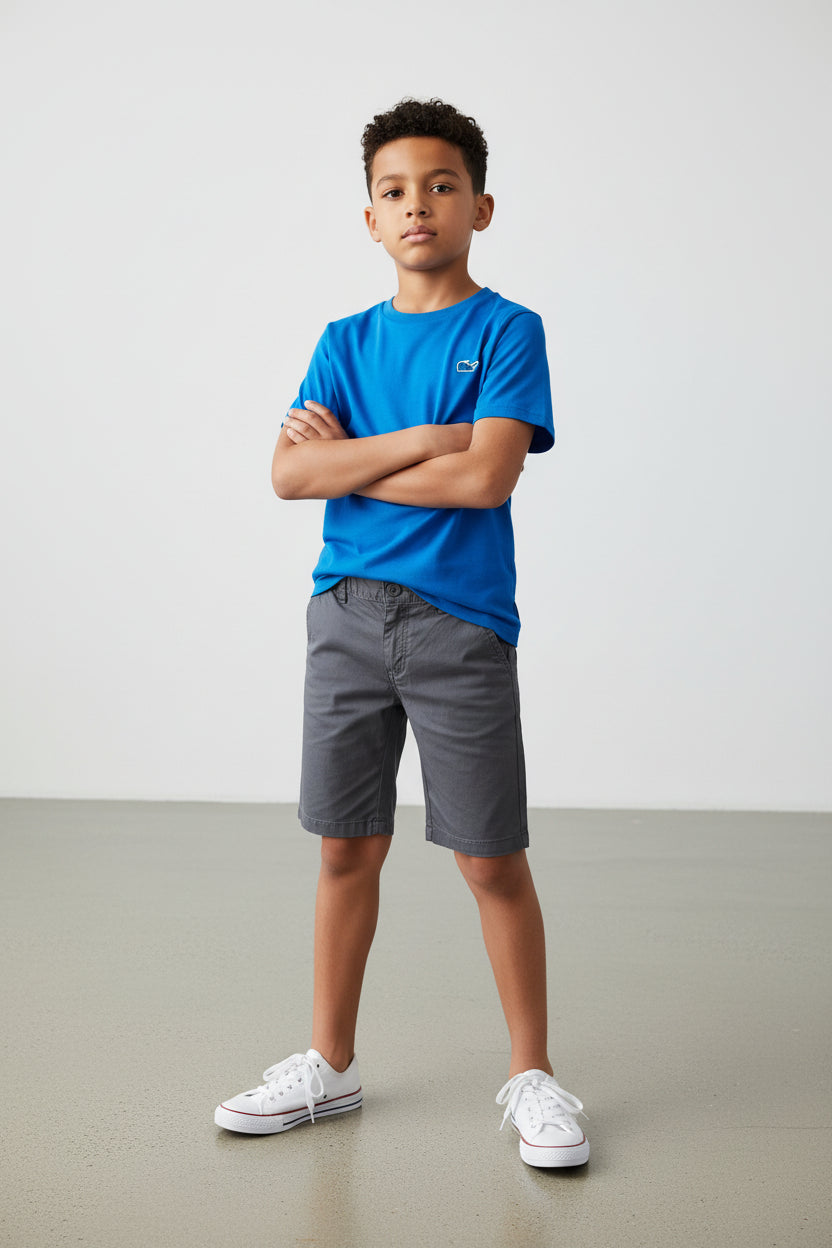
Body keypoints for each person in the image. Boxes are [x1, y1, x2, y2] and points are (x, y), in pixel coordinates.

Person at [214, 98, 589, 1169]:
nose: (416, 204)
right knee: (346, 847)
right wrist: (426, 436)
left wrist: (355, 459)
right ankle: (329, 1064)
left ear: (480, 206)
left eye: (439, 185)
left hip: (460, 624)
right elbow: (288, 475)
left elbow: (485, 480)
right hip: (344, 616)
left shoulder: (507, 331)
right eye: (394, 190)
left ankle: (532, 1075)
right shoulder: (343, 342)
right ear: (369, 218)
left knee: (490, 858)